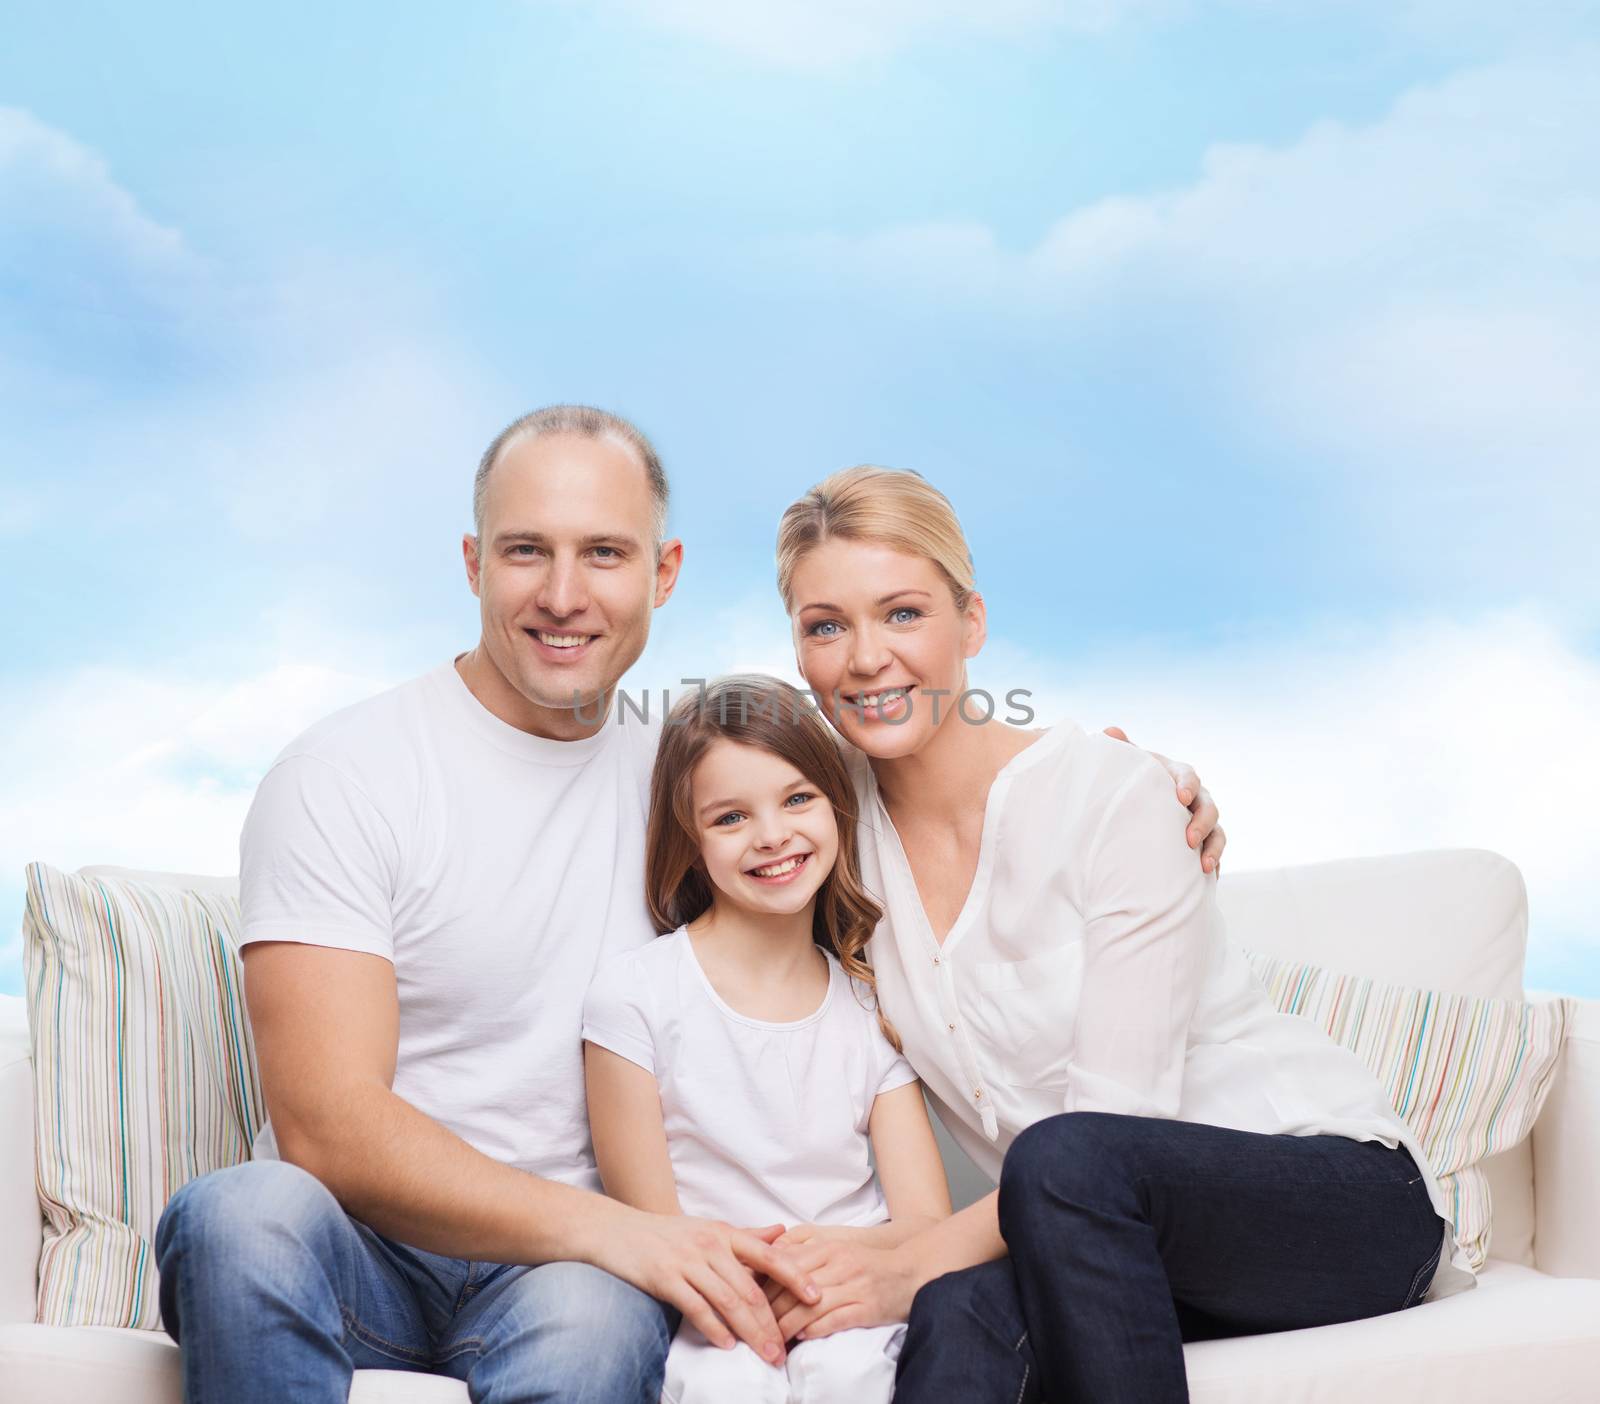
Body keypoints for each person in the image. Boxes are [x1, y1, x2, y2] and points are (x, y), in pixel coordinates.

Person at [149, 405, 1221, 1403]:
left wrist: (1133, 783)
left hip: (577, 1273)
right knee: (241, 1213)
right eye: (527, 550)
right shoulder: (347, 772)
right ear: (474, 564)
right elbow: (326, 1125)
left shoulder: (693, 778)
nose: (564, 595)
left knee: (584, 1328)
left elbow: (881, 772)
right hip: (384, 1244)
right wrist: (631, 1236)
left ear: (662, 574)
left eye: (604, 553)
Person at [751, 465, 1477, 1404]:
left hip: (1334, 1204)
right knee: (953, 1318)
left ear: (969, 624)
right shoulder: (823, 838)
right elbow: (693, 800)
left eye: (902, 614)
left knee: (1063, 1155)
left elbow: (1112, 1125)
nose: (864, 658)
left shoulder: (1111, 798)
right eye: (825, 626)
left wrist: (911, 1258)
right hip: (1097, 1238)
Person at [583, 675, 952, 1403]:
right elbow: (652, 1228)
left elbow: (925, 1225)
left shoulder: (871, 1000)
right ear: (690, 844)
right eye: (730, 818)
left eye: (797, 798)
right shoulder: (635, 995)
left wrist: (826, 1273)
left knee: (851, 1375)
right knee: (725, 1385)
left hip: (852, 1298)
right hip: (707, 1304)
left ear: (836, 807)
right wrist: (757, 1280)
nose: (773, 835)